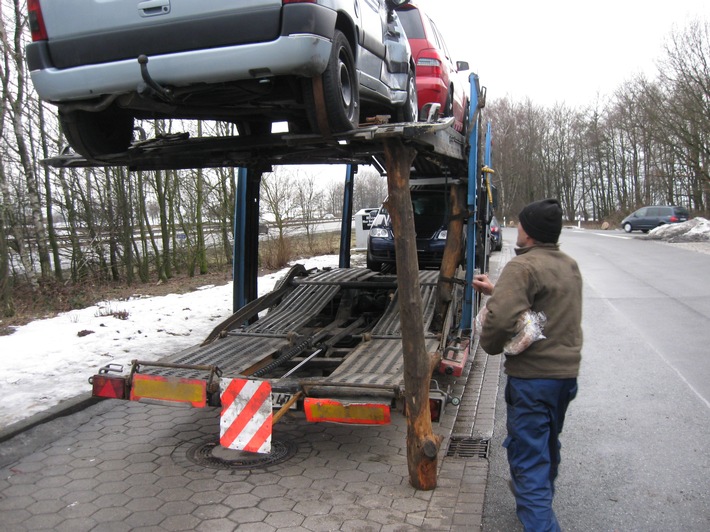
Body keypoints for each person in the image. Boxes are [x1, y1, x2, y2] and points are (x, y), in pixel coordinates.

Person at [473, 198, 582, 532]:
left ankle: (537, 513)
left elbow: (502, 319)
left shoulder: (522, 267)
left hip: (532, 380)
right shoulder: (568, 264)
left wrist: (488, 345)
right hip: (564, 378)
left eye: (520, 224)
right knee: (547, 443)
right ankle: (533, 497)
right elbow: (544, 307)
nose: (516, 229)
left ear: (530, 232)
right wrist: (499, 290)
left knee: (529, 458)